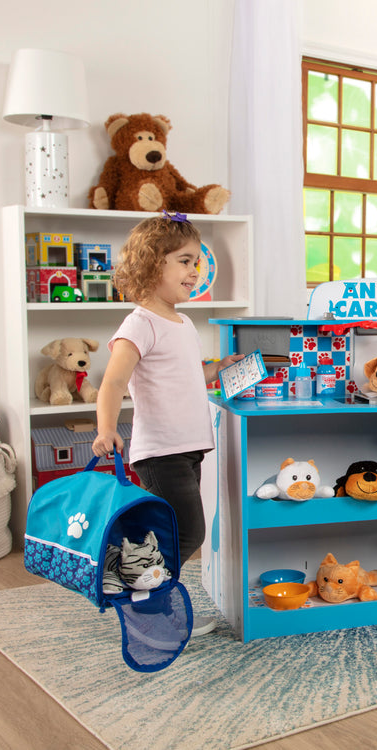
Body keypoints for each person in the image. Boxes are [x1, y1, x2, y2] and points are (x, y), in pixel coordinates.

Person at [92, 211, 243, 636]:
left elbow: (184, 374)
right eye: (185, 261)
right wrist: (106, 429)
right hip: (160, 451)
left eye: (196, 262)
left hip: (188, 447)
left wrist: (218, 369)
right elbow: (112, 383)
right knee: (187, 530)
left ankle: (147, 598)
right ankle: (145, 602)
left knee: (174, 531)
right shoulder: (139, 323)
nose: (194, 272)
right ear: (151, 263)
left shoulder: (182, 322)